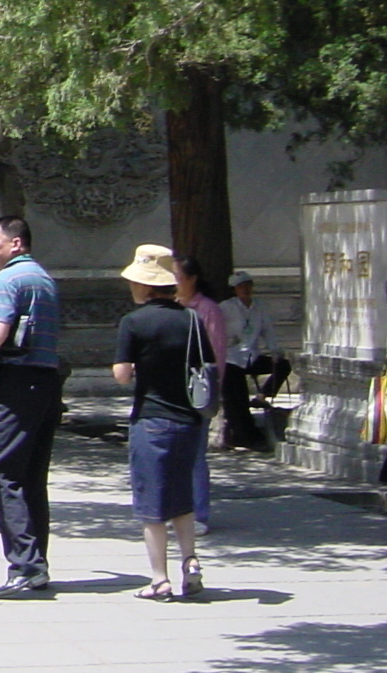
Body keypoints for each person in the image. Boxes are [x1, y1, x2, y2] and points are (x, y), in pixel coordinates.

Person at [0, 215, 63, 597]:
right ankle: (37, 561)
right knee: (32, 475)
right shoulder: (44, 279)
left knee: (1, 470)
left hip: (16, 384)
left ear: (15, 244)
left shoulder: (10, 278)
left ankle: (25, 564)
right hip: (47, 383)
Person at [112, 246, 208, 600]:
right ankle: (191, 561)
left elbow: (122, 375)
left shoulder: (133, 323)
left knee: (152, 506)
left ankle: (159, 579)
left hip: (151, 419)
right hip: (188, 420)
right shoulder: (192, 319)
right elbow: (203, 366)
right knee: (182, 499)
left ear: (145, 285)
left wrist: (137, 367)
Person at [172, 253, 225, 533]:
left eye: (178, 276)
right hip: (171, 390)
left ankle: (199, 513)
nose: (174, 282)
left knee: (194, 456)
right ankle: (178, 510)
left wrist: (213, 392)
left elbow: (216, 355)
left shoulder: (207, 310)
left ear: (192, 279)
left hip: (195, 391)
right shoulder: (171, 307)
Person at [220, 270, 289, 451]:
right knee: (237, 399)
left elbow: (267, 330)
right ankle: (243, 436)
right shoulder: (226, 307)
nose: (245, 290)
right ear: (234, 289)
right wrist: (226, 341)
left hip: (252, 355)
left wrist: (274, 350)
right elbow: (213, 328)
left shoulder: (259, 307)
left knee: (282, 365)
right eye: (241, 287)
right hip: (232, 357)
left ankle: (262, 396)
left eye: (248, 286)